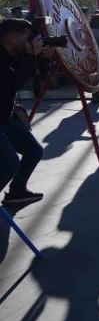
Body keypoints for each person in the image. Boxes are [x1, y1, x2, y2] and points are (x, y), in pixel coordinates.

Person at [0, 19, 55, 204]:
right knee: (10, 164)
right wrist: (31, 56)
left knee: (33, 150)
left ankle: (17, 191)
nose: (31, 40)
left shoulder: (14, 54)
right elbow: (12, 84)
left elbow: (36, 85)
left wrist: (43, 59)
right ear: (12, 37)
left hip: (5, 116)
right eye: (27, 36)